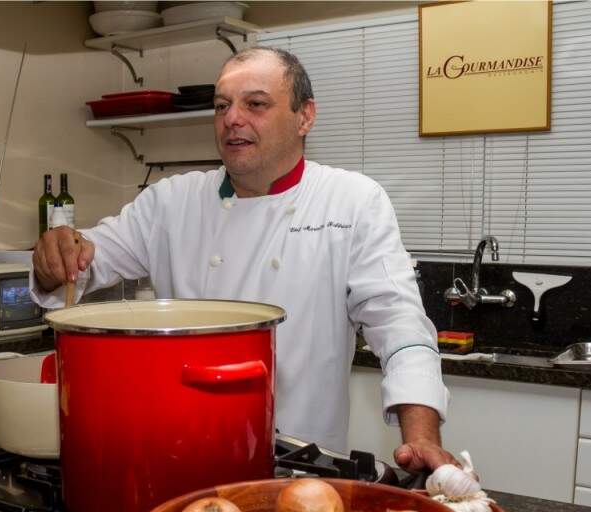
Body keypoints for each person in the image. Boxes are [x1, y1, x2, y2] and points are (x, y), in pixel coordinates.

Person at [32, 46, 459, 471]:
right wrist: (57, 255)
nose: (232, 119)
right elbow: (86, 259)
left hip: (300, 465)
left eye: (255, 104)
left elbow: (399, 323)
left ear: (304, 116)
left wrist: (420, 437)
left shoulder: (352, 201)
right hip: (181, 454)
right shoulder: (170, 202)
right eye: (222, 106)